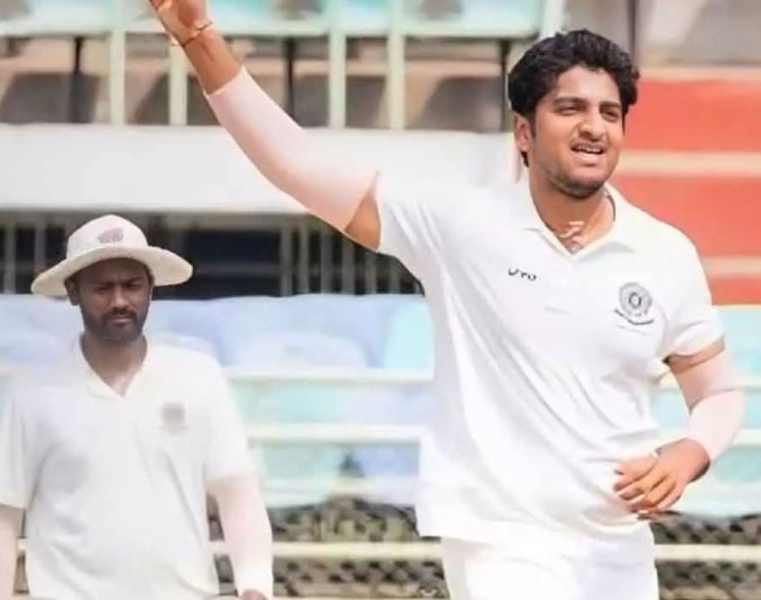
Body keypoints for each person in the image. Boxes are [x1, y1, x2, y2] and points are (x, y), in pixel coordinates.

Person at [145, 4, 747, 598]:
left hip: (617, 551)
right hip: (500, 543)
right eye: (570, 108)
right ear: (523, 133)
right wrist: (200, 40)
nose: (594, 126)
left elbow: (716, 392)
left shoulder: (663, 254)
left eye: (609, 113)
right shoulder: (463, 226)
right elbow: (296, 165)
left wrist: (688, 452)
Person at [0, 215, 273, 600]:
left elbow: (237, 491)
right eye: (102, 288)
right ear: (73, 292)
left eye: (132, 285)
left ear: (151, 288)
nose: (119, 301)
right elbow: (1, 517)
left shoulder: (198, 377)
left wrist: (255, 585)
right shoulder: (33, 394)